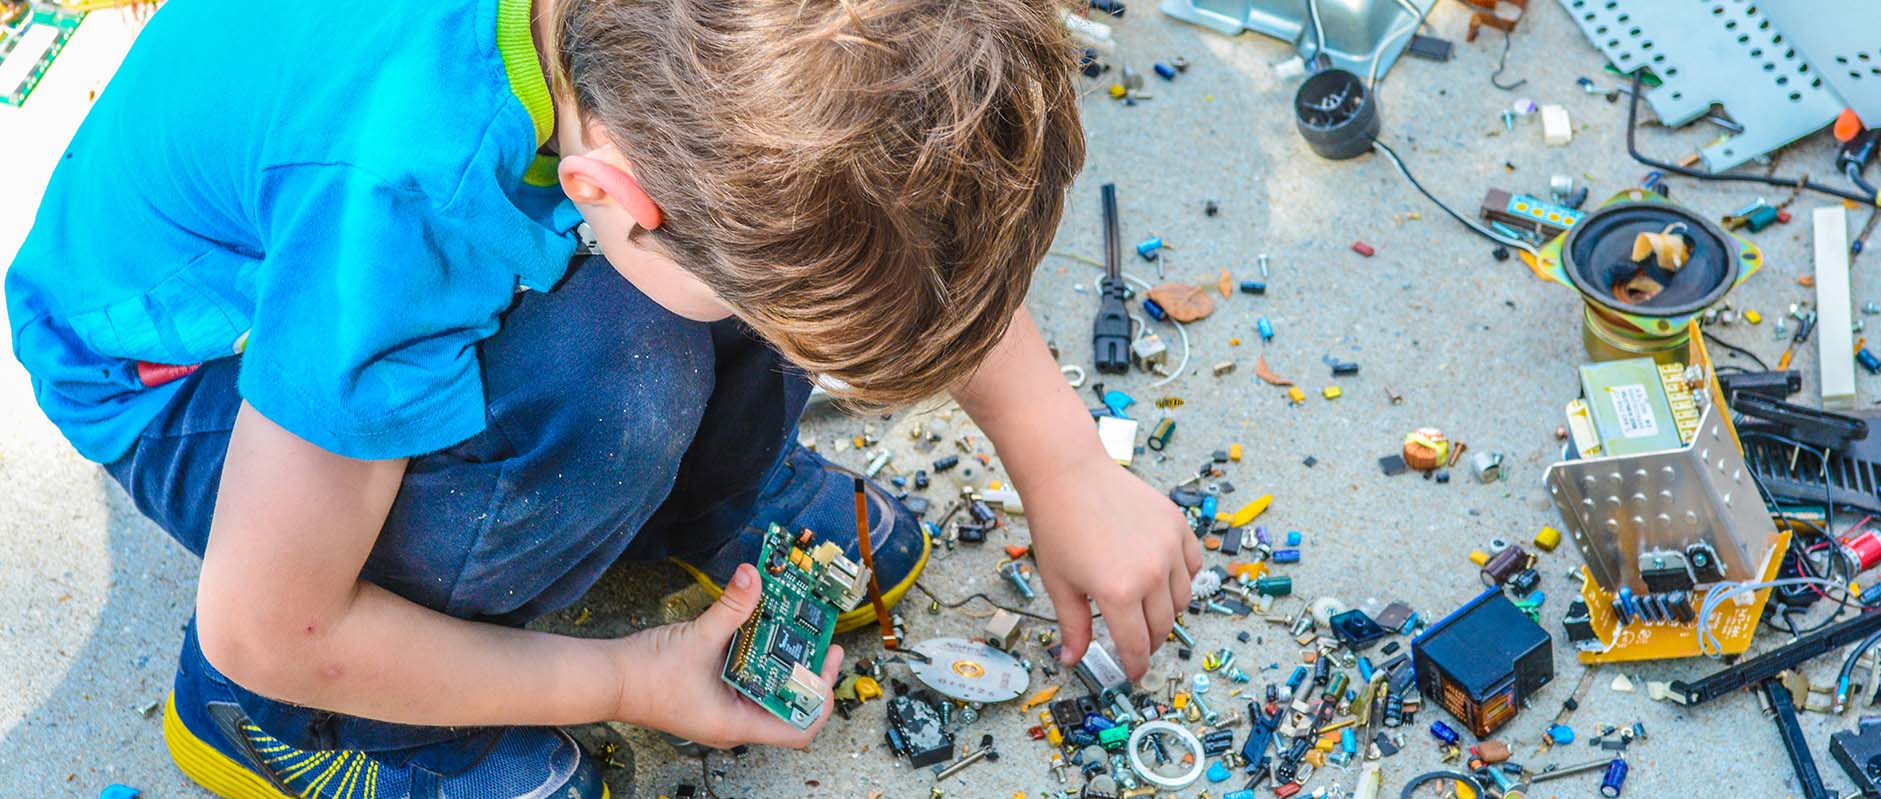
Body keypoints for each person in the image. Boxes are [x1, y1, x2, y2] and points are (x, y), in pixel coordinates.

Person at [5, 0, 1201, 795]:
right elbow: (269, 618)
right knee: (611, 393)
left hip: (392, 234)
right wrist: (629, 678)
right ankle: (289, 726)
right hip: (201, 370)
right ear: (604, 192)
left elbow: (887, 182)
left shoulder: (700, 56)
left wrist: (1065, 461)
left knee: (729, 274)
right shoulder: (403, 197)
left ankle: (710, 495)